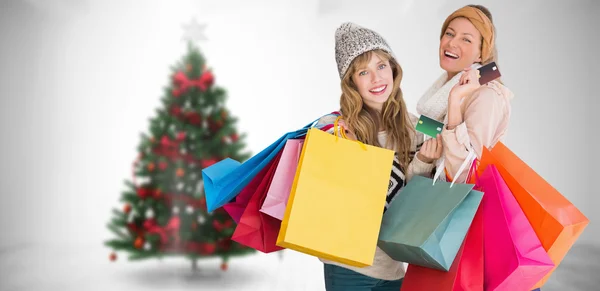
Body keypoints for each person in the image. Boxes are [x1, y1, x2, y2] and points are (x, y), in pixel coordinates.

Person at [418, 5, 540, 291]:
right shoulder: (436, 96)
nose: (452, 43)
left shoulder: (485, 94)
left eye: (466, 39)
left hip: (477, 230)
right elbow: (419, 143)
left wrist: (456, 102)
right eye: (449, 33)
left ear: (483, 54)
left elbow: (466, 173)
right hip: (451, 223)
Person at [316, 22, 442, 291]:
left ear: (394, 69)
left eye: (382, 66)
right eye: (364, 72)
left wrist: (480, 79)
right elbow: (369, 200)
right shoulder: (334, 127)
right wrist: (420, 165)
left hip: (395, 268)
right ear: (351, 82)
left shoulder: (417, 124)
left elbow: (456, 134)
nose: (377, 79)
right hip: (347, 267)